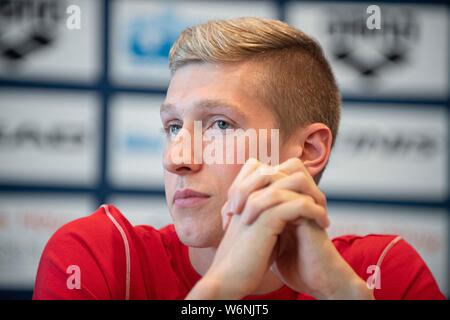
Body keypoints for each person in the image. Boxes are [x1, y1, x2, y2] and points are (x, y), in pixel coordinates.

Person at [33, 17, 445, 300]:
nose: (178, 158)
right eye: (173, 126)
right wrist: (220, 290)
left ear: (308, 151)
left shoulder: (381, 273)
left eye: (220, 125)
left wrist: (345, 295)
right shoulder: (102, 256)